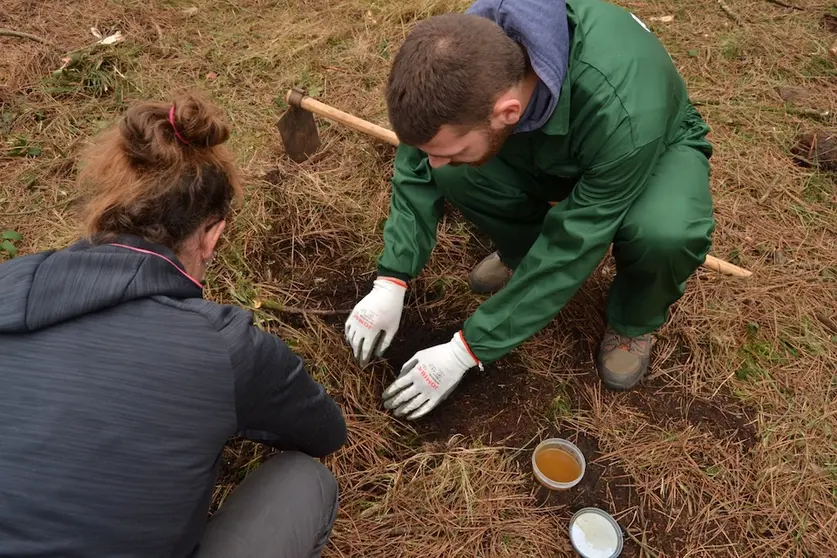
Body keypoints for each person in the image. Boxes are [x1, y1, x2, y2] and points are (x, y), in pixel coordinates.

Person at [0, 90, 347, 557]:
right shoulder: (225, 346)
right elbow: (324, 433)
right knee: (303, 480)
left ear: (104, 207)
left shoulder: (9, 282)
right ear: (212, 235)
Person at [344, 0, 715, 420]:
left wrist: (467, 349)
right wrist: (392, 278)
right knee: (455, 172)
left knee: (664, 233)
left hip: (650, 142)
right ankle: (521, 255)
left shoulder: (623, 111)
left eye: (448, 148)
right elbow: (419, 161)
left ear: (508, 112)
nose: (434, 159)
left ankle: (634, 320)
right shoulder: (467, 54)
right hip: (545, 137)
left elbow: (575, 241)